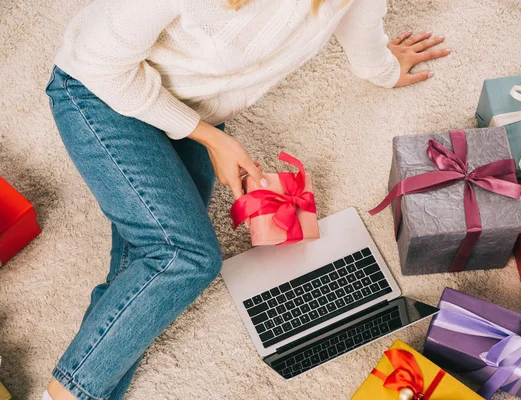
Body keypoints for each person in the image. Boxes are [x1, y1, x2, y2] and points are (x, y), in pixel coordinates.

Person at [43, 0, 450, 398]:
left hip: (190, 106)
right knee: (184, 257)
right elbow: (99, 65)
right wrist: (211, 138)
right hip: (98, 93)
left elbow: (361, 32)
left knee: (146, 264)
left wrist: (383, 68)